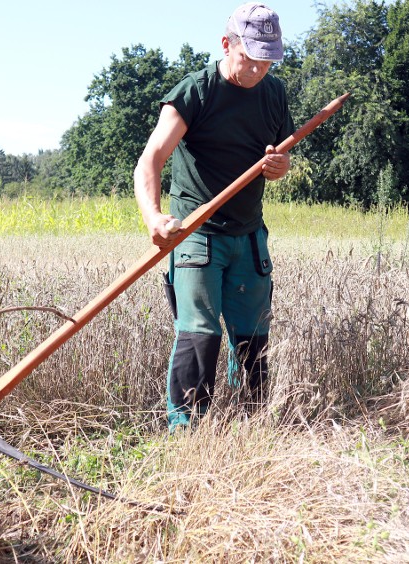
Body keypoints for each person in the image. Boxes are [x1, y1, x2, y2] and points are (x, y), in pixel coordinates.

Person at [133, 2, 294, 431]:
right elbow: (150, 160)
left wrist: (280, 167)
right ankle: (187, 431)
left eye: (269, 61)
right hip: (197, 236)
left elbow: (280, 157)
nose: (260, 70)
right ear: (227, 44)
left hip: (249, 237)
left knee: (253, 340)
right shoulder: (195, 92)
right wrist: (154, 217)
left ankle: (249, 427)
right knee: (200, 335)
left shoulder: (274, 94)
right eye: (251, 58)